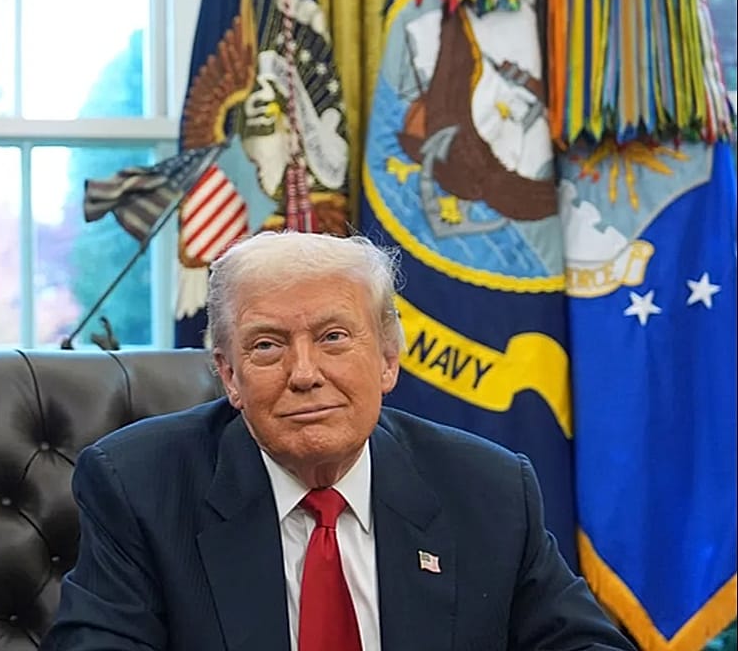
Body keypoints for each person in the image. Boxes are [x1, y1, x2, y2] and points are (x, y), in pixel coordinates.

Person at [43, 231, 631, 651]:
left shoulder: (488, 488)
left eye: (333, 337)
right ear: (229, 375)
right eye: (267, 345)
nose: (304, 373)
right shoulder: (139, 487)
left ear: (388, 360)